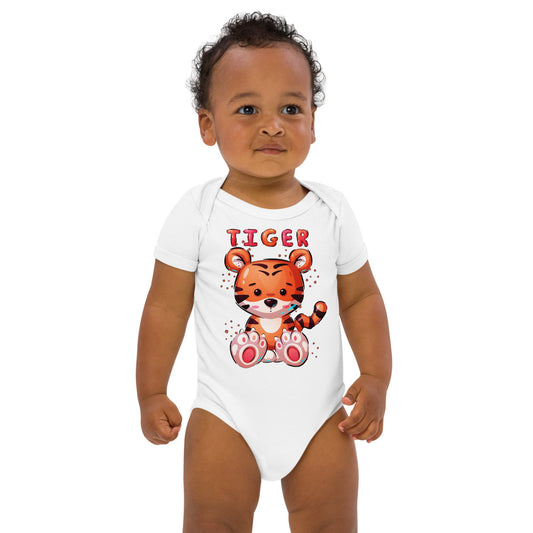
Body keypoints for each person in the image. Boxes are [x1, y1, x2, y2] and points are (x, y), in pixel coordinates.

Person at [136, 12, 392, 533]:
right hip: (225, 416)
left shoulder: (332, 210)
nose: (272, 125)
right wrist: (151, 391)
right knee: (213, 521)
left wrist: (376, 376)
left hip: (322, 417)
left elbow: (361, 298)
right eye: (248, 109)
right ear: (208, 125)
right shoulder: (198, 212)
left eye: (291, 109)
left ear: (313, 124)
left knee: (331, 522)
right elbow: (165, 306)